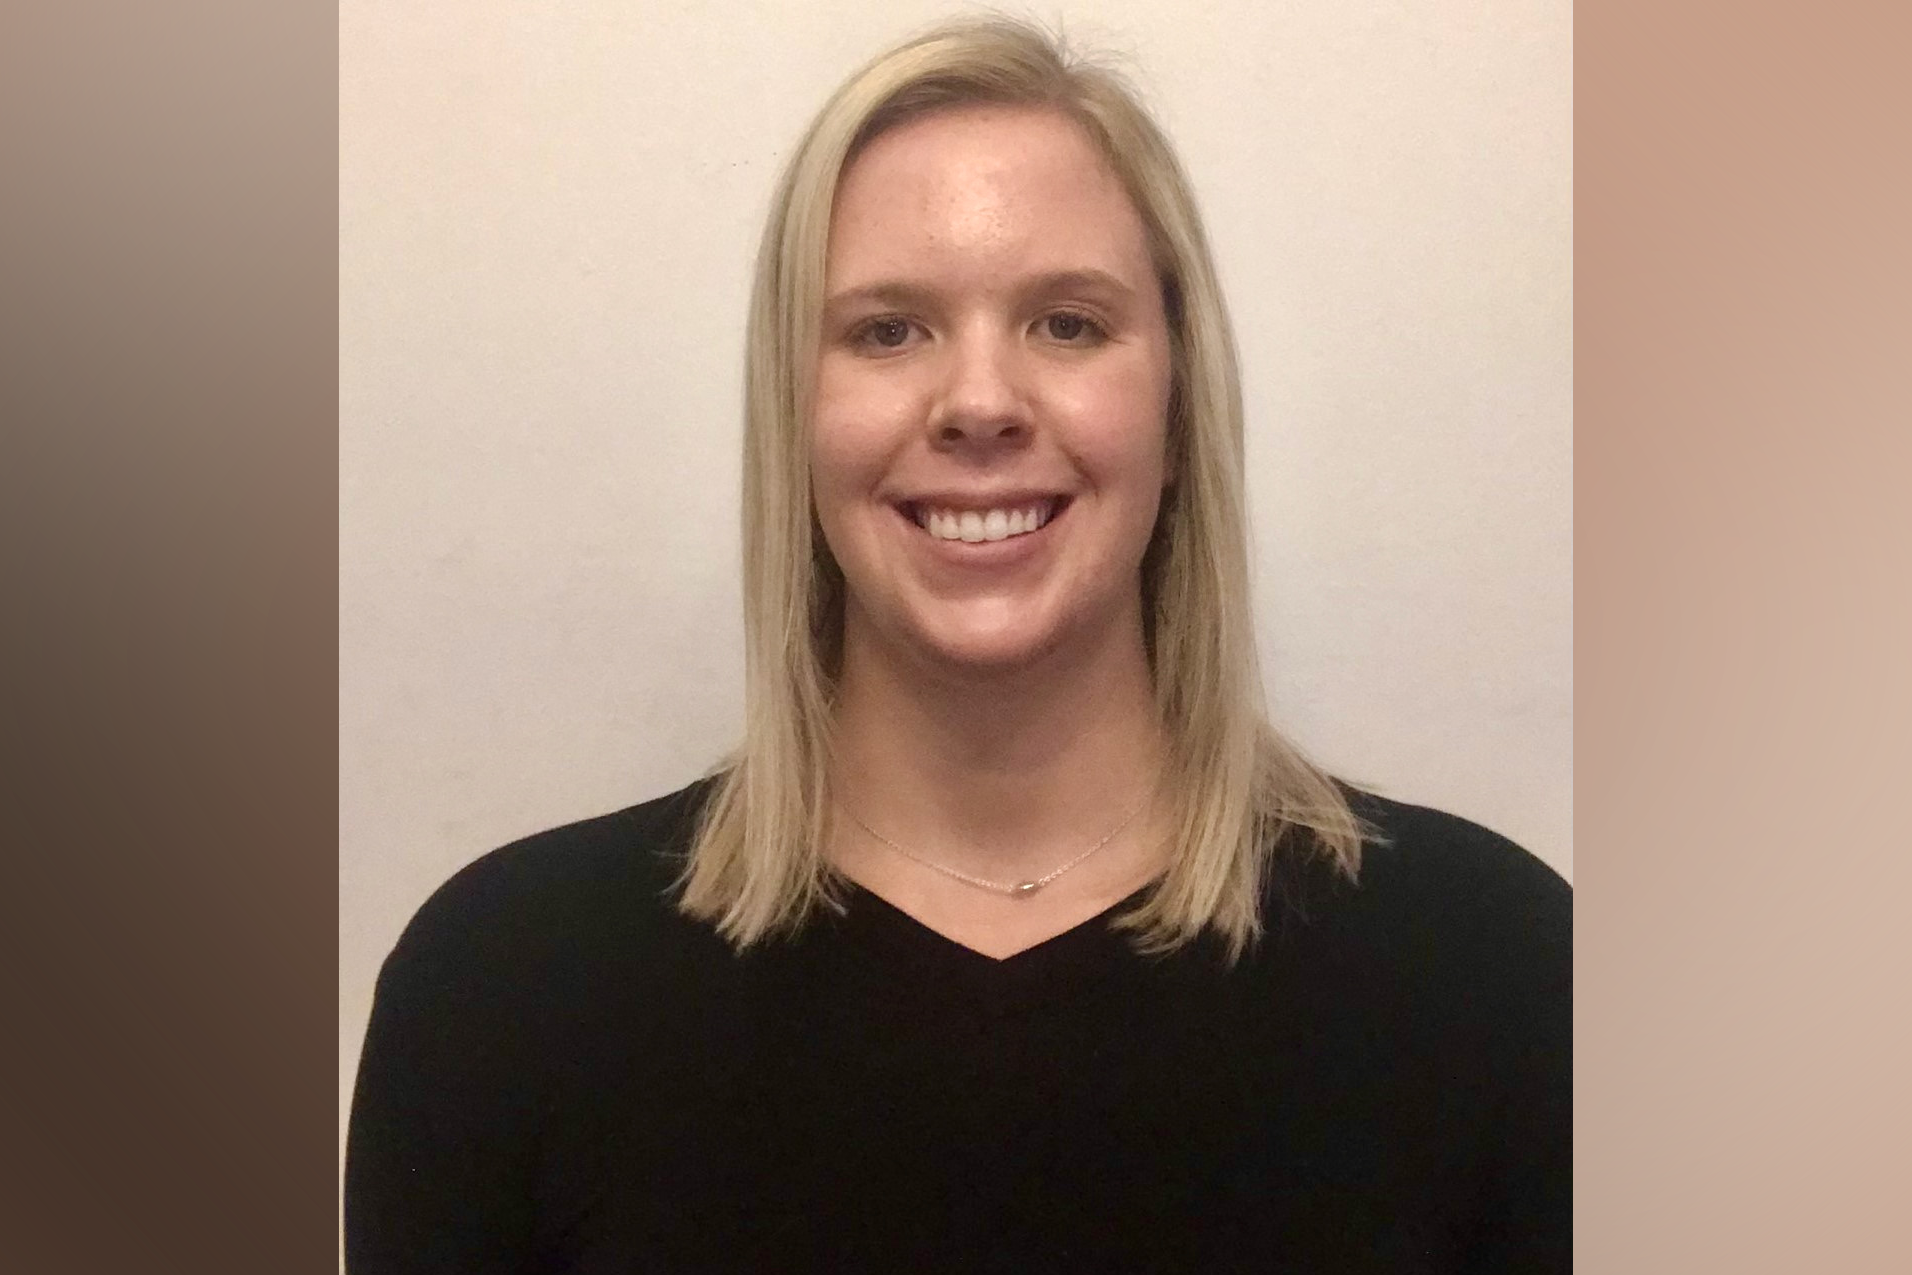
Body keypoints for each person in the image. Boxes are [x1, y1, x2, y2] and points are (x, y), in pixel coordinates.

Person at [345, 17, 1569, 1273]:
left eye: (1067, 323)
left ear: (1176, 391)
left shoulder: (1499, 981)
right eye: (887, 330)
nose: (979, 403)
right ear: (795, 405)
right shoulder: (504, 998)